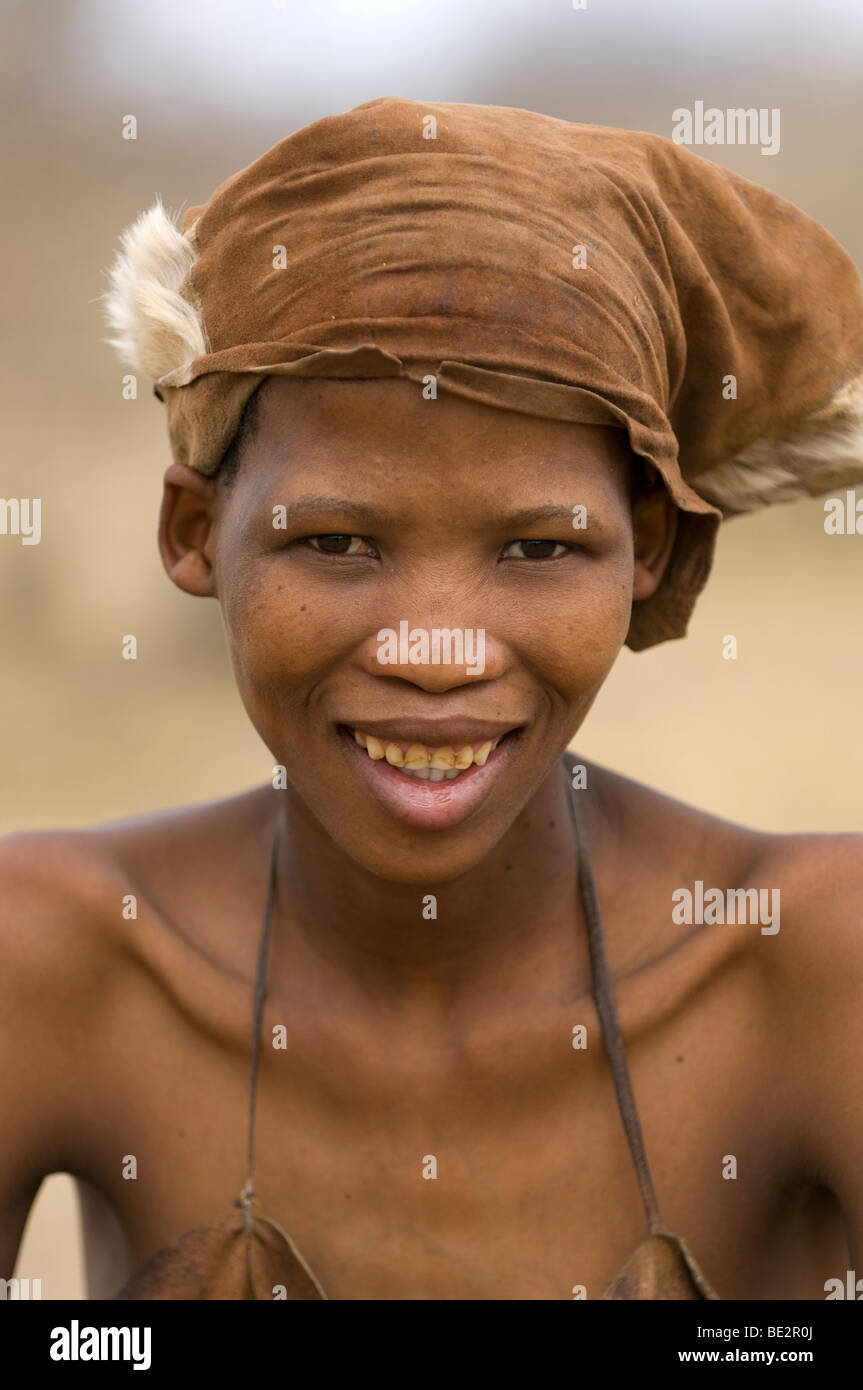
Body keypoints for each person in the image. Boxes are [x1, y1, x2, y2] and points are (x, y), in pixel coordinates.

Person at [3, 97, 863, 1301]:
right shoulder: (50, 959)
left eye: (536, 551)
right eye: (340, 541)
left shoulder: (811, 965)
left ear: (651, 550)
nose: (435, 648)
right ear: (197, 533)